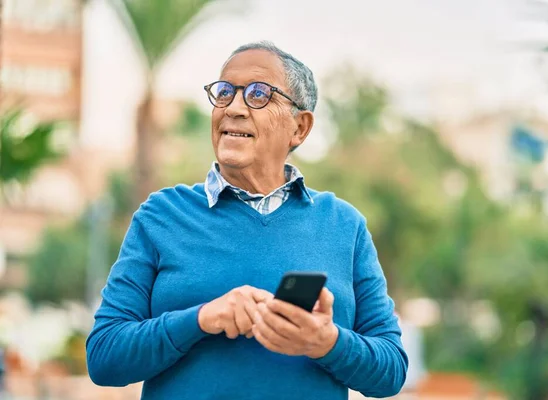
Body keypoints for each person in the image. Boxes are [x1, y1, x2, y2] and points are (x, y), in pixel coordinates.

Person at [86, 41, 408, 400]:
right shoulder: (161, 215)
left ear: (299, 128)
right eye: (224, 92)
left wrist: (327, 342)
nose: (234, 107)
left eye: (258, 94)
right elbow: (104, 357)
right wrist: (201, 319)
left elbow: (391, 371)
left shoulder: (345, 226)